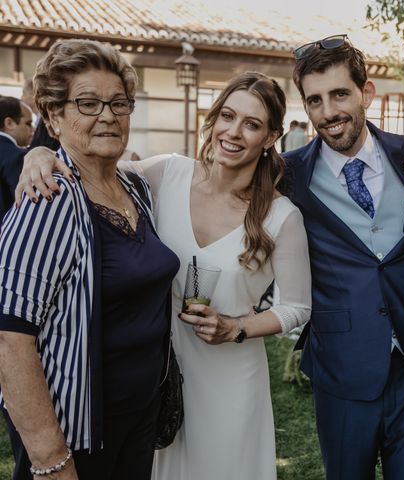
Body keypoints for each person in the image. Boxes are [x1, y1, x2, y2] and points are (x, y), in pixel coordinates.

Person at [18, 71, 313, 480]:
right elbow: (92, 171)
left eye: (252, 124)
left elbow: (297, 307)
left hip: (230, 379)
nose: (234, 132)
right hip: (155, 373)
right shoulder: (163, 175)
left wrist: (237, 327)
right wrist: (40, 154)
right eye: (228, 115)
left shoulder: (281, 216)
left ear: (270, 137)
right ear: (214, 117)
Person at [0, 39, 179, 480]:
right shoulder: (49, 199)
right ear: (55, 115)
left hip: (138, 418)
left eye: (119, 103)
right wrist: (51, 461)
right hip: (75, 434)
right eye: (88, 103)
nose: (107, 115)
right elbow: (9, 338)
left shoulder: (135, 189)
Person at [283, 34, 404, 479]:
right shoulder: (288, 172)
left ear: (365, 92)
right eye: (314, 101)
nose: (328, 112)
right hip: (340, 365)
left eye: (339, 94)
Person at [0, 96, 33, 217]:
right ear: (9, 123)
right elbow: (24, 202)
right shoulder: (16, 156)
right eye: (28, 123)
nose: (33, 129)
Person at [23, 77, 61, 151]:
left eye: (24, 93)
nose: (21, 97)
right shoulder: (39, 119)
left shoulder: (47, 119)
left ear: (34, 94)